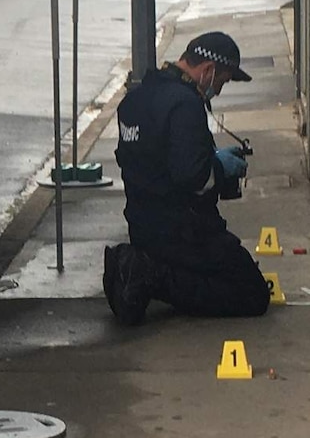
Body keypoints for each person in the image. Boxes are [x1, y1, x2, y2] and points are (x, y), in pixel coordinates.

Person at [104, 31, 270, 325]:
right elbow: (192, 178)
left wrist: (210, 157)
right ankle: (149, 276)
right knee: (251, 292)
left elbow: (155, 159)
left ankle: (144, 267)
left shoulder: (137, 98)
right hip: (183, 231)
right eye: (223, 80)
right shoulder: (184, 104)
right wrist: (220, 168)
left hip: (144, 226)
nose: (218, 90)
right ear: (208, 70)